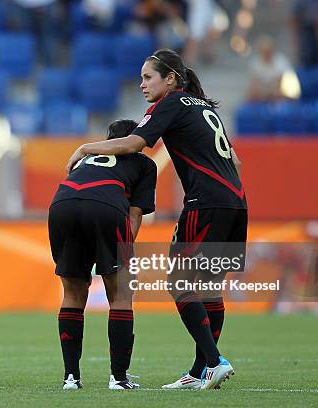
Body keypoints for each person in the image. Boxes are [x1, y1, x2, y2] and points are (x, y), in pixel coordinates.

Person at [66, 48, 247, 390]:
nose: (142, 85)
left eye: (148, 77)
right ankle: (200, 371)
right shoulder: (204, 107)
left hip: (205, 203)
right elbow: (235, 161)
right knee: (208, 287)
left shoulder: (172, 103)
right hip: (235, 202)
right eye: (140, 79)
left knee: (179, 283)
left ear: (171, 79)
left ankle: (214, 361)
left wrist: (86, 148)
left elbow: (136, 143)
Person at [50, 119, 157, 390]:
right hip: (106, 207)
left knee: (73, 294)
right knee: (120, 293)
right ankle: (118, 379)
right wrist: (121, 259)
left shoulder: (88, 158)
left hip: (62, 205)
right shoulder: (144, 164)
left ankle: (71, 378)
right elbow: (134, 215)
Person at [246, 35, 293, 102]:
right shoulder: (255, 63)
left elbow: (283, 87)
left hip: (280, 96)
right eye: (263, 51)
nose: (266, 53)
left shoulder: (281, 62)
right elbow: (253, 89)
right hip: (263, 96)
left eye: (268, 51)